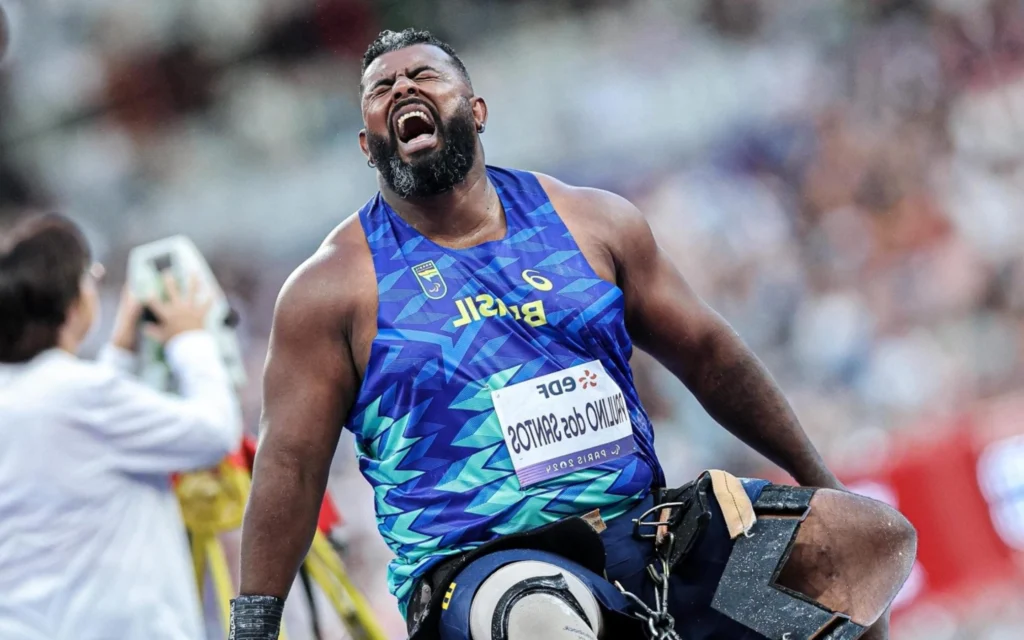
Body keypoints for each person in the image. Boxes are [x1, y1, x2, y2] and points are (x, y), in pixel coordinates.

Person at [232, 30, 917, 640]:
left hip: (642, 536)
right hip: (480, 572)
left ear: (476, 111)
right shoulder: (332, 288)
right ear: (366, 143)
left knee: (864, 542)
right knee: (539, 616)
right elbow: (290, 463)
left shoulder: (592, 224)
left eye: (425, 76)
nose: (403, 87)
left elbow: (710, 357)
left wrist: (824, 483)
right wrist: (254, 625)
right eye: (381, 89)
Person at [0, 213, 242, 639]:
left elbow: (83, 446)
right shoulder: (79, 395)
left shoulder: (29, 394)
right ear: (74, 304)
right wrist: (192, 339)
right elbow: (215, 433)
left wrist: (119, 352)